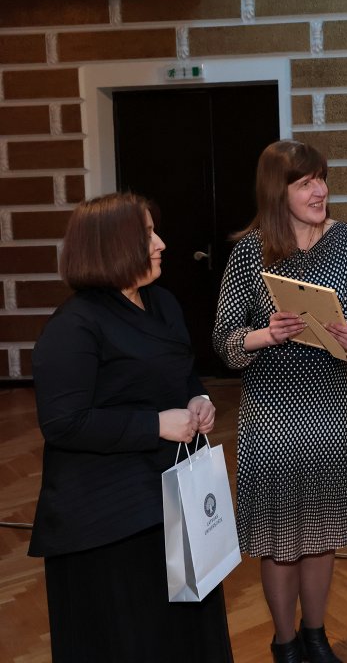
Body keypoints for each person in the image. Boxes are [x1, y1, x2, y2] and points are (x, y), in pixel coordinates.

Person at [29, 192, 233, 662]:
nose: (160, 242)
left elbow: (178, 372)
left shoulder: (161, 302)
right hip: (107, 520)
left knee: (184, 633)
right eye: (146, 235)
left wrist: (198, 399)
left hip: (168, 498)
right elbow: (64, 423)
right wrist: (156, 424)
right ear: (110, 246)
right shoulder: (73, 326)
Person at [213, 140, 347, 663]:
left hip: (328, 404)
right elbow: (223, 339)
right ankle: (284, 644)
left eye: (323, 178)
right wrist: (268, 334)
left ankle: (316, 635)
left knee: (322, 530)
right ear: (276, 190)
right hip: (272, 411)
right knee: (281, 536)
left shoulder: (346, 240)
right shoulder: (249, 250)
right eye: (306, 182)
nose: (321, 190)